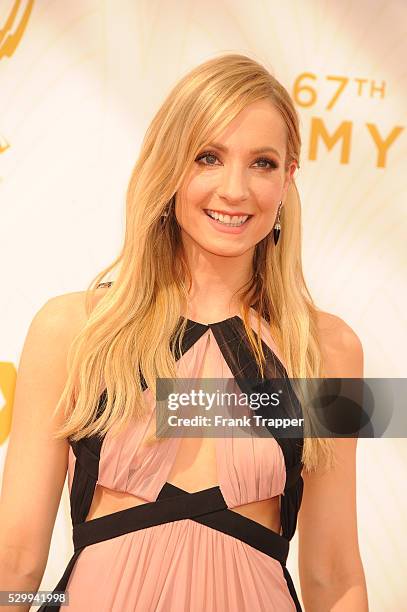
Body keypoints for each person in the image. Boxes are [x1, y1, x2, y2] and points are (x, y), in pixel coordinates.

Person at [0, 53, 369, 611]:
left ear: (289, 178)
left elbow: (334, 575)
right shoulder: (73, 331)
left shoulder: (328, 350)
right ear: (170, 165)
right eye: (208, 157)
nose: (235, 189)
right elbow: (16, 559)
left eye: (263, 163)